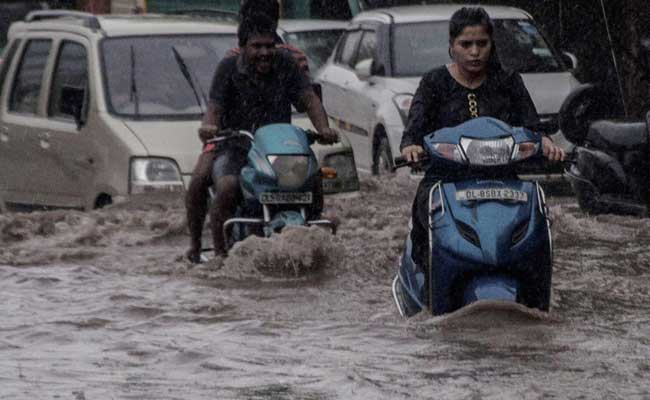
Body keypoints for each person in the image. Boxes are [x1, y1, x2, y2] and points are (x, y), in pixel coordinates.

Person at [400, 6, 565, 268]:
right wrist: (411, 146)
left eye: (482, 43)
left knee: (537, 226)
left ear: (491, 44)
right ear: (452, 46)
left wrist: (545, 142)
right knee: (424, 218)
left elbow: (532, 127)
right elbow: (414, 129)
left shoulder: (508, 81)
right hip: (445, 180)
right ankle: (427, 282)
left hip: (503, 180)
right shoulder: (434, 82)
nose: (475, 52)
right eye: (466, 44)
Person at [184, 3, 338, 263]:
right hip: (235, 145)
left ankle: (315, 236)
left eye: (269, 46)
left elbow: (309, 98)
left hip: (278, 148)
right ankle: (211, 253)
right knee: (219, 184)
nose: (264, 52)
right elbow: (214, 106)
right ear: (243, 46)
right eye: (257, 46)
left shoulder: (288, 63)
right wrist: (209, 128)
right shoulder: (228, 67)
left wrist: (323, 129)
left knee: (314, 179)